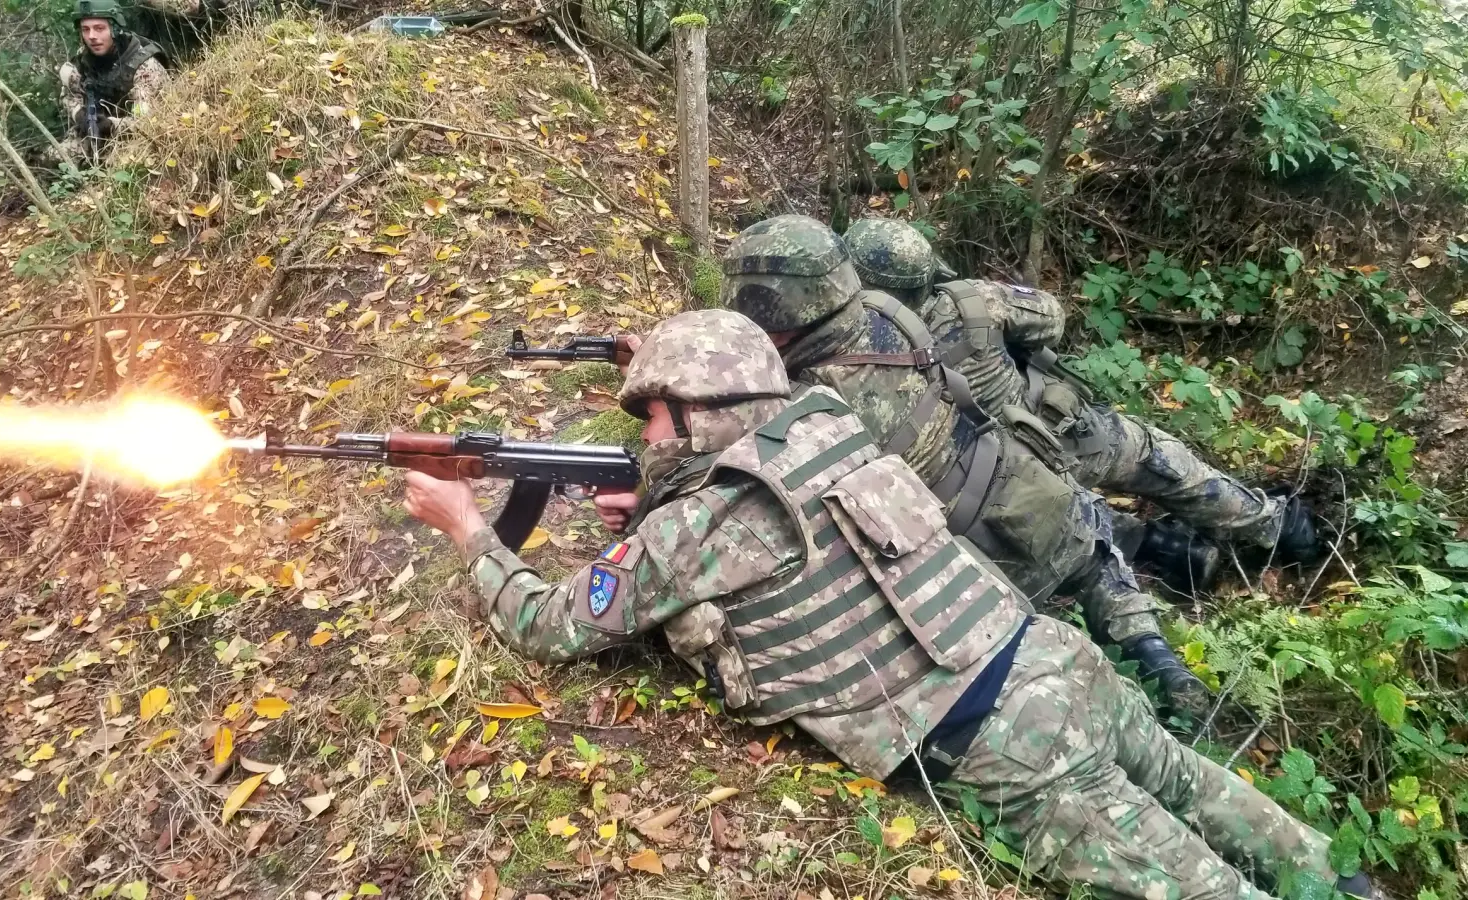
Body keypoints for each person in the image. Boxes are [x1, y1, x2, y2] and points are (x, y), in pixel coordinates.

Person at [400, 309, 1375, 900]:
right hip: (1053, 659)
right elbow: (790, 528)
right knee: (1197, 787)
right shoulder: (825, 426)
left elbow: (548, 626)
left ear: (701, 411)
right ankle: (1346, 881)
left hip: (1002, 745)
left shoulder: (697, 529)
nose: (647, 431)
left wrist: (464, 527)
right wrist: (658, 494)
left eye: (653, 412)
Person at [719, 214, 1208, 715]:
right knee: (1094, 560)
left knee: (1049, 633)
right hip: (1032, 490)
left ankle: (1140, 676)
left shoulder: (797, 402)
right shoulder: (893, 315)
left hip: (974, 567)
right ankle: (1163, 663)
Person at [841, 217, 1320, 589]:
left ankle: (1167, 551)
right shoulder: (972, 302)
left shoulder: (862, 360)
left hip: (992, 485)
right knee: (1150, 451)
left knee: (1067, 520)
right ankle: (1274, 525)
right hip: (1061, 436)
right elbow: (1051, 318)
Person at [58, 0, 168, 157]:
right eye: (85, 29)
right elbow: (69, 97)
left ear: (115, 29)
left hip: (140, 140)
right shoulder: (81, 64)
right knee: (54, 157)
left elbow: (151, 123)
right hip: (94, 136)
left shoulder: (145, 68)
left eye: (99, 28)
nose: (92, 36)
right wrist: (79, 115)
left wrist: (110, 125)